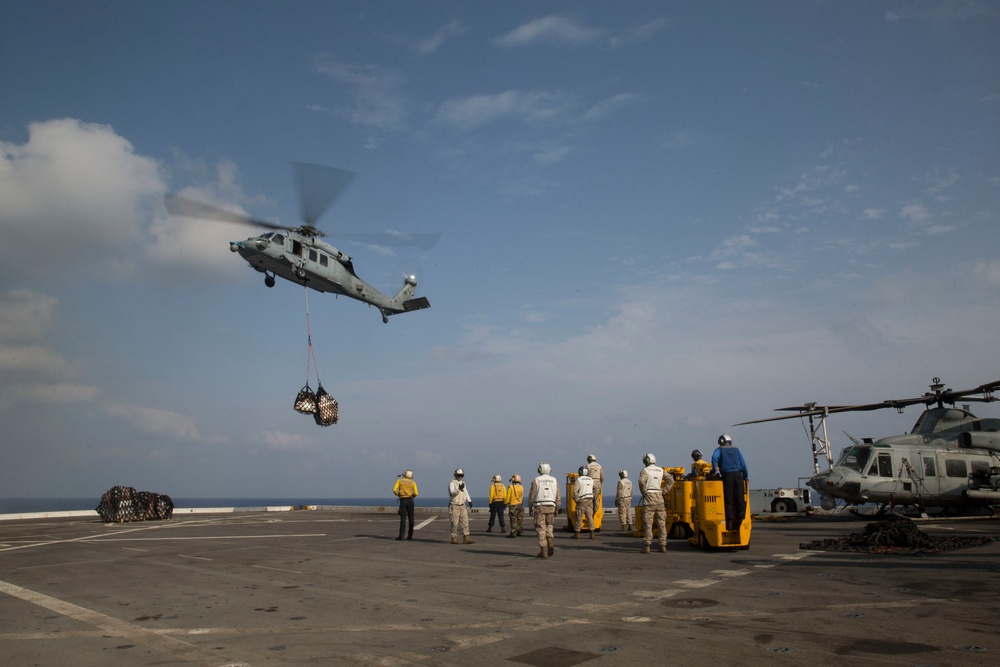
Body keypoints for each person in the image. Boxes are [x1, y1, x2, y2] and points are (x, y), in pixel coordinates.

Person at [711, 434, 749, 531]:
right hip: (738, 475)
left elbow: (714, 458)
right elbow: (743, 464)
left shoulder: (719, 450)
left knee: (728, 499)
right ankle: (740, 520)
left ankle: (729, 522)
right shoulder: (737, 450)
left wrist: (714, 470)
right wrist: (745, 476)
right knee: (739, 498)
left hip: (726, 476)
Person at [639, 453, 673, 553]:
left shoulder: (645, 471)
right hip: (659, 496)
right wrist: (664, 491)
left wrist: (644, 491)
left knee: (648, 523)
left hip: (649, 497)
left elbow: (641, 482)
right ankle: (663, 545)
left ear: (647, 461)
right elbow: (670, 480)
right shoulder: (661, 470)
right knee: (661, 523)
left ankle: (647, 545)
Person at [528, 462, 561, 558]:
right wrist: (557, 508)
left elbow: (532, 494)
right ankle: (550, 539)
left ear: (540, 470)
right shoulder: (554, 480)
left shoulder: (536, 480)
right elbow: (557, 495)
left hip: (539, 507)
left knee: (540, 528)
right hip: (551, 506)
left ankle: (543, 550)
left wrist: (530, 506)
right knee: (549, 526)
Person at [448, 468, 476, 545]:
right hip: (455, 505)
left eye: (462, 475)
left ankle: (466, 537)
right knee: (454, 522)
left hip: (462, 505)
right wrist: (458, 489)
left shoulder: (463, 483)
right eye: (459, 475)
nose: (460, 477)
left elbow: (466, 492)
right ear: (456, 475)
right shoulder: (452, 483)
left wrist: (469, 500)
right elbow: (452, 492)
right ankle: (454, 537)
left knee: (465, 522)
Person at [392, 469, 418, 541]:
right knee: (411, 518)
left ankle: (401, 536)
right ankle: (410, 535)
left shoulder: (399, 481)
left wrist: (398, 494)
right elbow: (416, 493)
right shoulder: (413, 482)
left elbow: (394, 490)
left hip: (403, 500)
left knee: (403, 519)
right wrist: (412, 495)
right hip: (410, 500)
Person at [572, 465, 595, 539]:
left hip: (582, 499)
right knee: (589, 516)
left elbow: (575, 491)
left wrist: (576, 500)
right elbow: (594, 488)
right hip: (590, 499)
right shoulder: (591, 479)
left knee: (578, 516)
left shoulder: (579, 480)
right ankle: (592, 533)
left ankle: (577, 532)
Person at [505, 474, 524, 538]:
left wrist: (505, 503)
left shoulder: (511, 487)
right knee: (520, 519)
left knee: (513, 519)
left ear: (513, 479)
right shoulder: (521, 487)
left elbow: (508, 497)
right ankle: (519, 531)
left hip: (513, 505)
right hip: (520, 505)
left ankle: (513, 532)